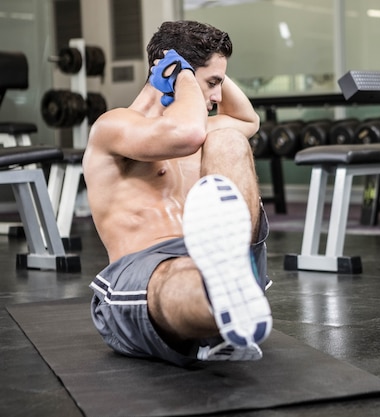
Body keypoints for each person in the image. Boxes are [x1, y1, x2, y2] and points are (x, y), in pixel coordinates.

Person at [83, 20, 272, 367]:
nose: (218, 97)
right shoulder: (115, 127)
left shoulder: (202, 128)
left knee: (230, 140)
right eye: (212, 84)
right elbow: (185, 132)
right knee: (178, 277)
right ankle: (219, 297)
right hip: (148, 271)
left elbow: (248, 121)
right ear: (174, 74)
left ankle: (230, 274)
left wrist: (206, 70)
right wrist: (182, 74)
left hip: (216, 253)